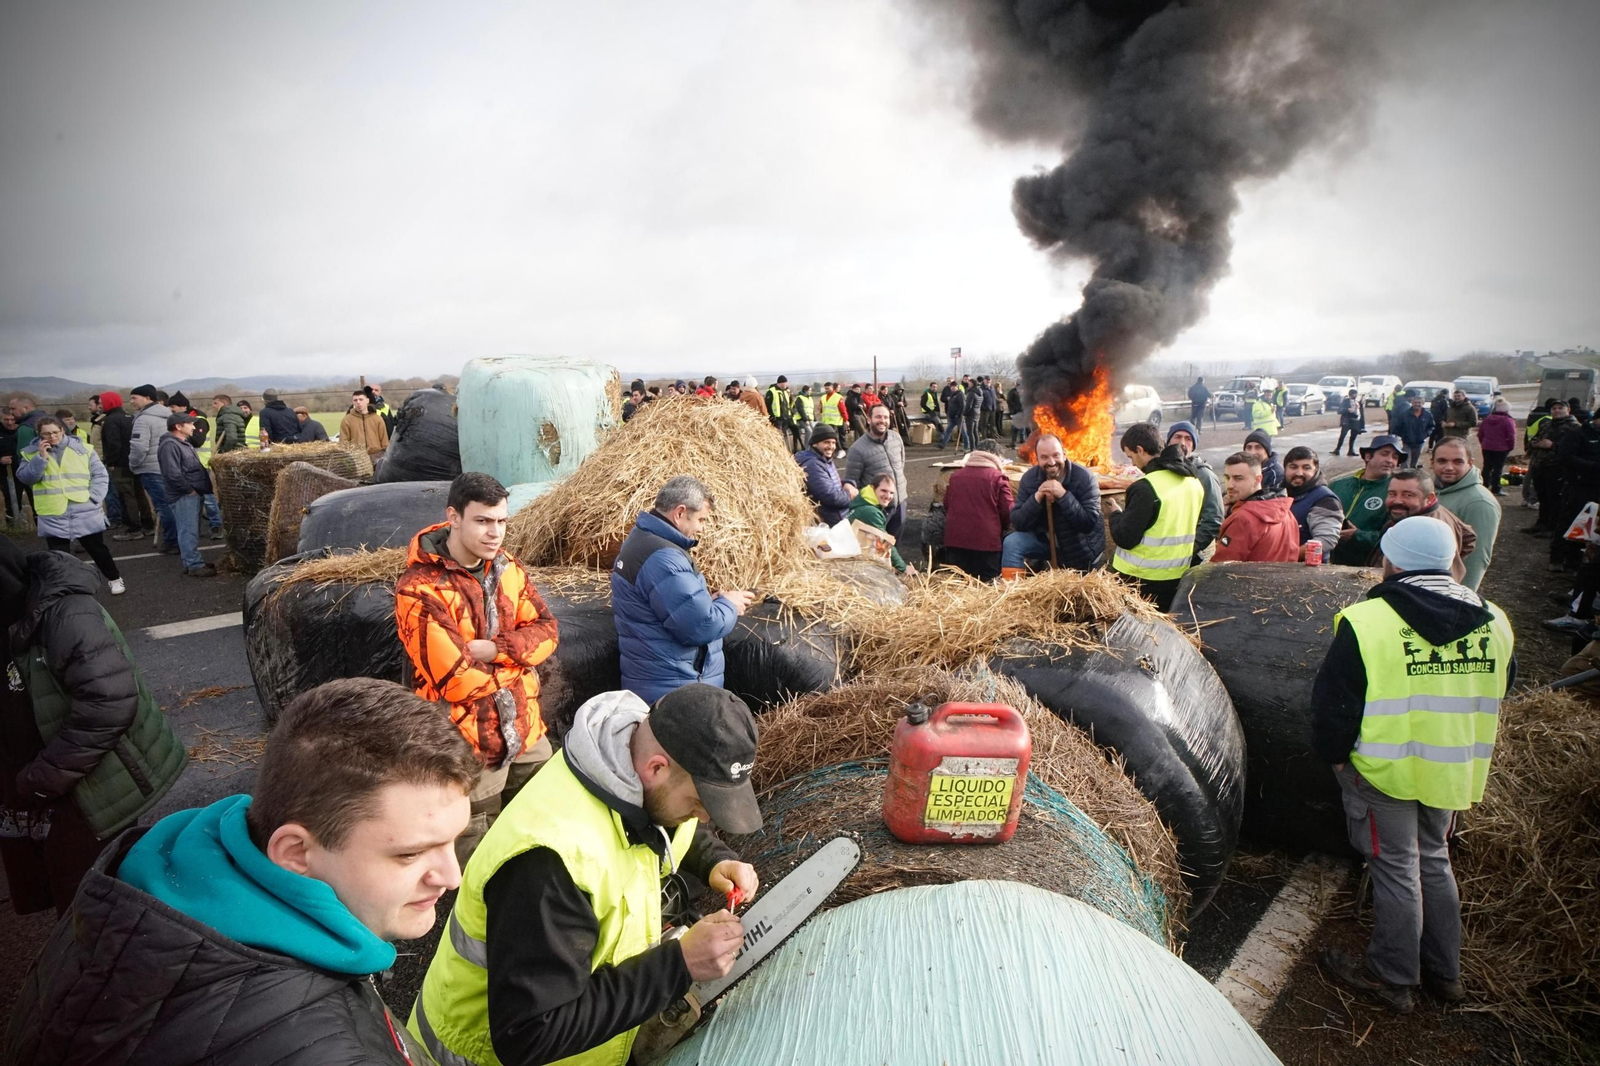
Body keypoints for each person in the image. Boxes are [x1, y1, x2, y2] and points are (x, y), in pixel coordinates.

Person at [7, 678, 479, 1065]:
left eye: (453, 841)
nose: (452, 877)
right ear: (294, 852)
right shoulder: (331, 1050)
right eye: (410, 855)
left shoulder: (133, 891)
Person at [407, 684, 760, 1066]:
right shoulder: (549, 863)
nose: (704, 817)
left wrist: (714, 861)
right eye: (698, 802)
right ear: (655, 767)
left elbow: (662, 826)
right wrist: (678, 965)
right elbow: (531, 1035)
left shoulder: (626, 769)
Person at [1312, 517, 1514, 1014]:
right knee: (1434, 863)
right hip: (1452, 769)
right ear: (1450, 561)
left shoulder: (1367, 620)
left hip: (1384, 771)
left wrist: (1337, 759)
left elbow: (1334, 704)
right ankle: (1445, 974)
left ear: (1391, 559)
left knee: (1397, 870)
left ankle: (1393, 977)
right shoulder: (1494, 618)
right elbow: (1502, 688)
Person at [0, 539, 183, 916]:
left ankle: (104, 956)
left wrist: (44, 776)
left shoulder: (67, 616)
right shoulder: (12, 618)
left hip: (88, 780)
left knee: (91, 896)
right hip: (37, 774)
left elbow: (108, 702)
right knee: (60, 881)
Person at [395, 472, 559, 865]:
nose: (494, 533)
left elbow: (549, 632)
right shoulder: (420, 588)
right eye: (483, 521)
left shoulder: (509, 569)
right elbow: (457, 681)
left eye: (501, 521)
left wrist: (495, 649)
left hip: (527, 734)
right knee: (481, 856)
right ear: (454, 517)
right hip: (468, 746)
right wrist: (519, 662)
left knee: (543, 832)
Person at [611, 477, 753, 703]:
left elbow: (672, 606)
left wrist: (711, 601)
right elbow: (701, 626)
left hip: (659, 682)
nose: (701, 529)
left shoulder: (643, 540)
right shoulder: (663, 558)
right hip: (677, 693)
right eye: (700, 520)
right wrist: (729, 604)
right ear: (679, 513)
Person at [14, 418, 124, 592]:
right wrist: (41, 459)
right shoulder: (30, 453)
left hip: (84, 508)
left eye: (55, 432)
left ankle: (114, 578)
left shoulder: (82, 449)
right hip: (53, 511)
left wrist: (94, 497)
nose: (52, 436)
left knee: (97, 549)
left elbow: (100, 475)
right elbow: (25, 478)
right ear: (39, 435)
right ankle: (68, 589)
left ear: (62, 430)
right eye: (47, 433)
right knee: (60, 557)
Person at [1108, 422, 1203, 611]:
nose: (1132, 463)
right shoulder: (1194, 482)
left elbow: (1125, 538)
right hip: (1177, 578)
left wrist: (1115, 513)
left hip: (1139, 581)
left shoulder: (1145, 487)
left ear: (1140, 450)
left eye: (1131, 456)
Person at [1001, 432, 1103, 578]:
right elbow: (1018, 523)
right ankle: (1011, 592)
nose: (1051, 462)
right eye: (1044, 457)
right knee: (1012, 542)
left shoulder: (1084, 478)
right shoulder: (1030, 479)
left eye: (1056, 455)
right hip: (1047, 542)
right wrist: (1037, 497)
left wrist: (1063, 495)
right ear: (1036, 459)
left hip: (1080, 547)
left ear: (1064, 454)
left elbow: (1087, 524)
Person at [1371, 469, 1472, 583]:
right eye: (1392, 494)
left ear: (1429, 499)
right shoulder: (1417, 518)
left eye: (1408, 495)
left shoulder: (1427, 530)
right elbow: (1468, 538)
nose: (1397, 501)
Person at [1431, 438, 1500, 591]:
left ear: (1470, 463)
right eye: (1442, 461)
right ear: (1432, 462)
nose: (1449, 467)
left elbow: (1477, 557)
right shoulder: (1434, 491)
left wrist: (1462, 597)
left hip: (1449, 590)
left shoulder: (1479, 502)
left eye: (1457, 462)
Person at [942, 440, 1015, 581]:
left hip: (955, 540)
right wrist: (1004, 529)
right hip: (986, 543)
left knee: (958, 585)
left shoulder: (956, 476)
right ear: (995, 455)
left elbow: (946, 504)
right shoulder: (998, 478)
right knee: (987, 586)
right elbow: (1008, 511)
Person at [158, 412, 218, 577]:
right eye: (190, 424)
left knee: (190, 529)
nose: (194, 427)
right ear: (178, 427)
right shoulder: (170, 445)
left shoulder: (181, 443)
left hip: (190, 493)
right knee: (188, 530)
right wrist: (189, 490)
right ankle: (194, 565)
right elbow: (172, 474)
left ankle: (191, 561)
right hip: (183, 495)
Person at [1211, 452, 1299, 562]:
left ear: (1257, 480)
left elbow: (1220, 566)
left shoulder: (1243, 519)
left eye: (1238, 478)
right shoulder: (1287, 513)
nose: (1230, 485)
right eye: (1227, 478)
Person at [1330, 435, 1403, 566]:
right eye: (1384, 454)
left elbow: (1397, 536)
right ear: (1368, 457)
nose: (1390, 461)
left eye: (1395, 457)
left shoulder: (1395, 492)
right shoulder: (1338, 485)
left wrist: (1358, 536)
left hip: (1365, 567)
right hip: (1328, 561)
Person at [843, 403, 909, 540]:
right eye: (878, 417)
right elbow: (852, 482)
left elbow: (900, 464)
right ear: (869, 419)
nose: (882, 421)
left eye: (886, 417)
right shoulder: (857, 449)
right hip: (877, 509)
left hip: (900, 502)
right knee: (877, 548)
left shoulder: (896, 438)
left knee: (894, 544)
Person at [126, 385, 177, 553]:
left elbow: (139, 447)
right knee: (172, 505)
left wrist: (133, 465)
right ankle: (176, 540)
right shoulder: (167, 415)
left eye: (134, 397)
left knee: (164, 507)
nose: (131, 401)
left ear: (148, 398)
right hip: (168, 466)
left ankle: (172, 542)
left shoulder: (143, 419)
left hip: (151, 468)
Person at [98, 391, 153, 542]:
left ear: (109, 403)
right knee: (139, 493)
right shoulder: (130, 417)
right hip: (134, 462)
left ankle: (133, 529)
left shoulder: (111, 421)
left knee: (126, 496)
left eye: (101, 402)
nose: (99, 405)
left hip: (121, 465)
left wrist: (111, 462)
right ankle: (148, 525)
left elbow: (114, 444)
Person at [1165, 421, 1222, 561]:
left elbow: (1214, 519)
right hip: (1167, 555)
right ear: (1168, 441)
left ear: (1194, 445)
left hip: (1197, 555)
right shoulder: (1163, 470)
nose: (1182, 443)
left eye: (1188, 439)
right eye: (1177, 437)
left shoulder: (1204, 475)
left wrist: (1190, 548)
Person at [1553, 407, 1600, 573]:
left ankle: (1578, 559)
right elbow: (1565, 457)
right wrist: (1593, 466)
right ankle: (1558, 558)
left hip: (1597, 487)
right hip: (1578, 486)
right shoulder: (1578, 433)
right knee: (1570, 520)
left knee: (1592, 525)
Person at [847, 472, 915, 575]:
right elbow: (884, 542)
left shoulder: (863, 502)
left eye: (891, 493)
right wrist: (903, 568)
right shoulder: (870, 512)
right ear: (873, 488)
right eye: (883, 491)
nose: (888, 496)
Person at [1524, 399, 1575, 535]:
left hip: (1557, 468)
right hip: (1540, 466)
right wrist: (1534, 444)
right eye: (1554, 409)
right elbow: (1533, 439)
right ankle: (1541, 523)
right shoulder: (1546, 424)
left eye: (1560, 408)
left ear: (1568, 410)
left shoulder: (1574, 427)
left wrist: (1553, 445)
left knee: (1555, 499)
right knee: (1543, 497)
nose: (1557, 411)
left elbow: (1573, 450)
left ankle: (1552, 528)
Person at [1284, 446, 1343, 562]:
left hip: (1308, 573)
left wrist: (1288, 557)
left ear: (1315, 470)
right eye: (1293, 467)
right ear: (1285, 469)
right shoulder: (1278, 492)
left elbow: (1325, 540)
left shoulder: (1325, 500)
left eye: (1306, 468)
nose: (1299, 473)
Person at [794, 424, 852, 526]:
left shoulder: (824, 459)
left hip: (838, 517)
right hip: (831, 522)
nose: (831, 447)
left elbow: (831, 484)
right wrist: (850, 495)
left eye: (833, 443)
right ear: (815, 444)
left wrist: (848, 483)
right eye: (826, 442)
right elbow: (830, 497)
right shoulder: (812, 465)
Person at [1475, 399, 1516, 497]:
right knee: (1498, 468)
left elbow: (1480, 433)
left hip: (1487, 446)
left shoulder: (1487, 419)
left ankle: (1484, 486)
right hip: (1502, 448)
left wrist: (1483, 443)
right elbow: (1511, 436)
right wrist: (1510, 446)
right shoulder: (1508, 421)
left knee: (1487, 467)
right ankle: (1496, 488)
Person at [339, 389, 390, 458]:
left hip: (377, 457)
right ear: (352, 402)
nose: (358, 402)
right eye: (355, 400)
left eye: (361, 399)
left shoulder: (377, 419)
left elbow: (384, 441)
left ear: (367, 400)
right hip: (357, 459)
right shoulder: (346, 420)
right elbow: (343, 442)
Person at [1390, 392, 1434, 468]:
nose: (1417, 404)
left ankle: (1413, 474)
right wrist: (1403, 436)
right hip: (1407, 442)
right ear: (1412, 403)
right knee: (1405, 461)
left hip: (1420, 442)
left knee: (1414, 462)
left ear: (1423, 403)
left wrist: (1425, 434)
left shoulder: (1427, 415)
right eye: (1415, 402)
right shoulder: (1404, 414)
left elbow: (1431, 427)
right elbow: (1397, 427)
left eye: (1419, 403)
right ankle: (1404, 475)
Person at [765, 376, 796, 449]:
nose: (786, 385)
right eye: (785, 383)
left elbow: (787, 405)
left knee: (784, 437)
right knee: (778, 437)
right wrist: (772, 417)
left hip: (785, 419)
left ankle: (784, 452)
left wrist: (789, 415)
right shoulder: (771, 391)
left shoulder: (784, 391)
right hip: (777, 419)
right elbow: (768, 405)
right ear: (781, 383)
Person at [1335, 388, 1365, 456]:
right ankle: (1337, 449)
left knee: (1353, 436)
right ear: (1351, 394)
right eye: (1355, 394)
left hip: (1355, 421)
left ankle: (1351, 450)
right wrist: (1348, 409)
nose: (1356, 395)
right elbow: (1339, 410)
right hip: (1347, 421)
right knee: (1343, 436)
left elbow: (1360, 411)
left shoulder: (1357, 402)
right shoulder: (1346, 401)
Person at [939, 378, 968, 450]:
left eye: (954, 387)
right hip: (952, 416)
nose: (952, 388)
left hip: (958, 417)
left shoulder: (960, 395)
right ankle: (943, 444)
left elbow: (963, 406)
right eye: (951, 387)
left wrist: (959, 414)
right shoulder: (952, 394)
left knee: (963, 432)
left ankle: (967, 446)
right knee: (948, 430)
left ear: (957, 387)